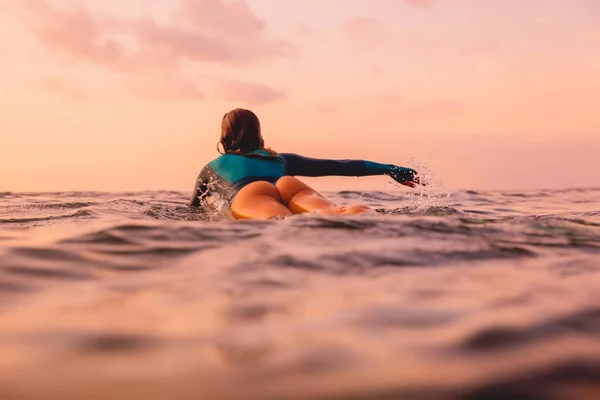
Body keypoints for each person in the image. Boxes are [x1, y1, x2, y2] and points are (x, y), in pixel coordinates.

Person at [187, 108, 421, 220]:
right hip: (288, 184)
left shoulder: (213, 167)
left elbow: (193, 210)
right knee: (335, 213)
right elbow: (342, 165)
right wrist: (392, 169)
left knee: (281, 222)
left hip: (249, 193)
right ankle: (364, 215)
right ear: (258, 133)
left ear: (225, 137)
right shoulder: (281, 160)